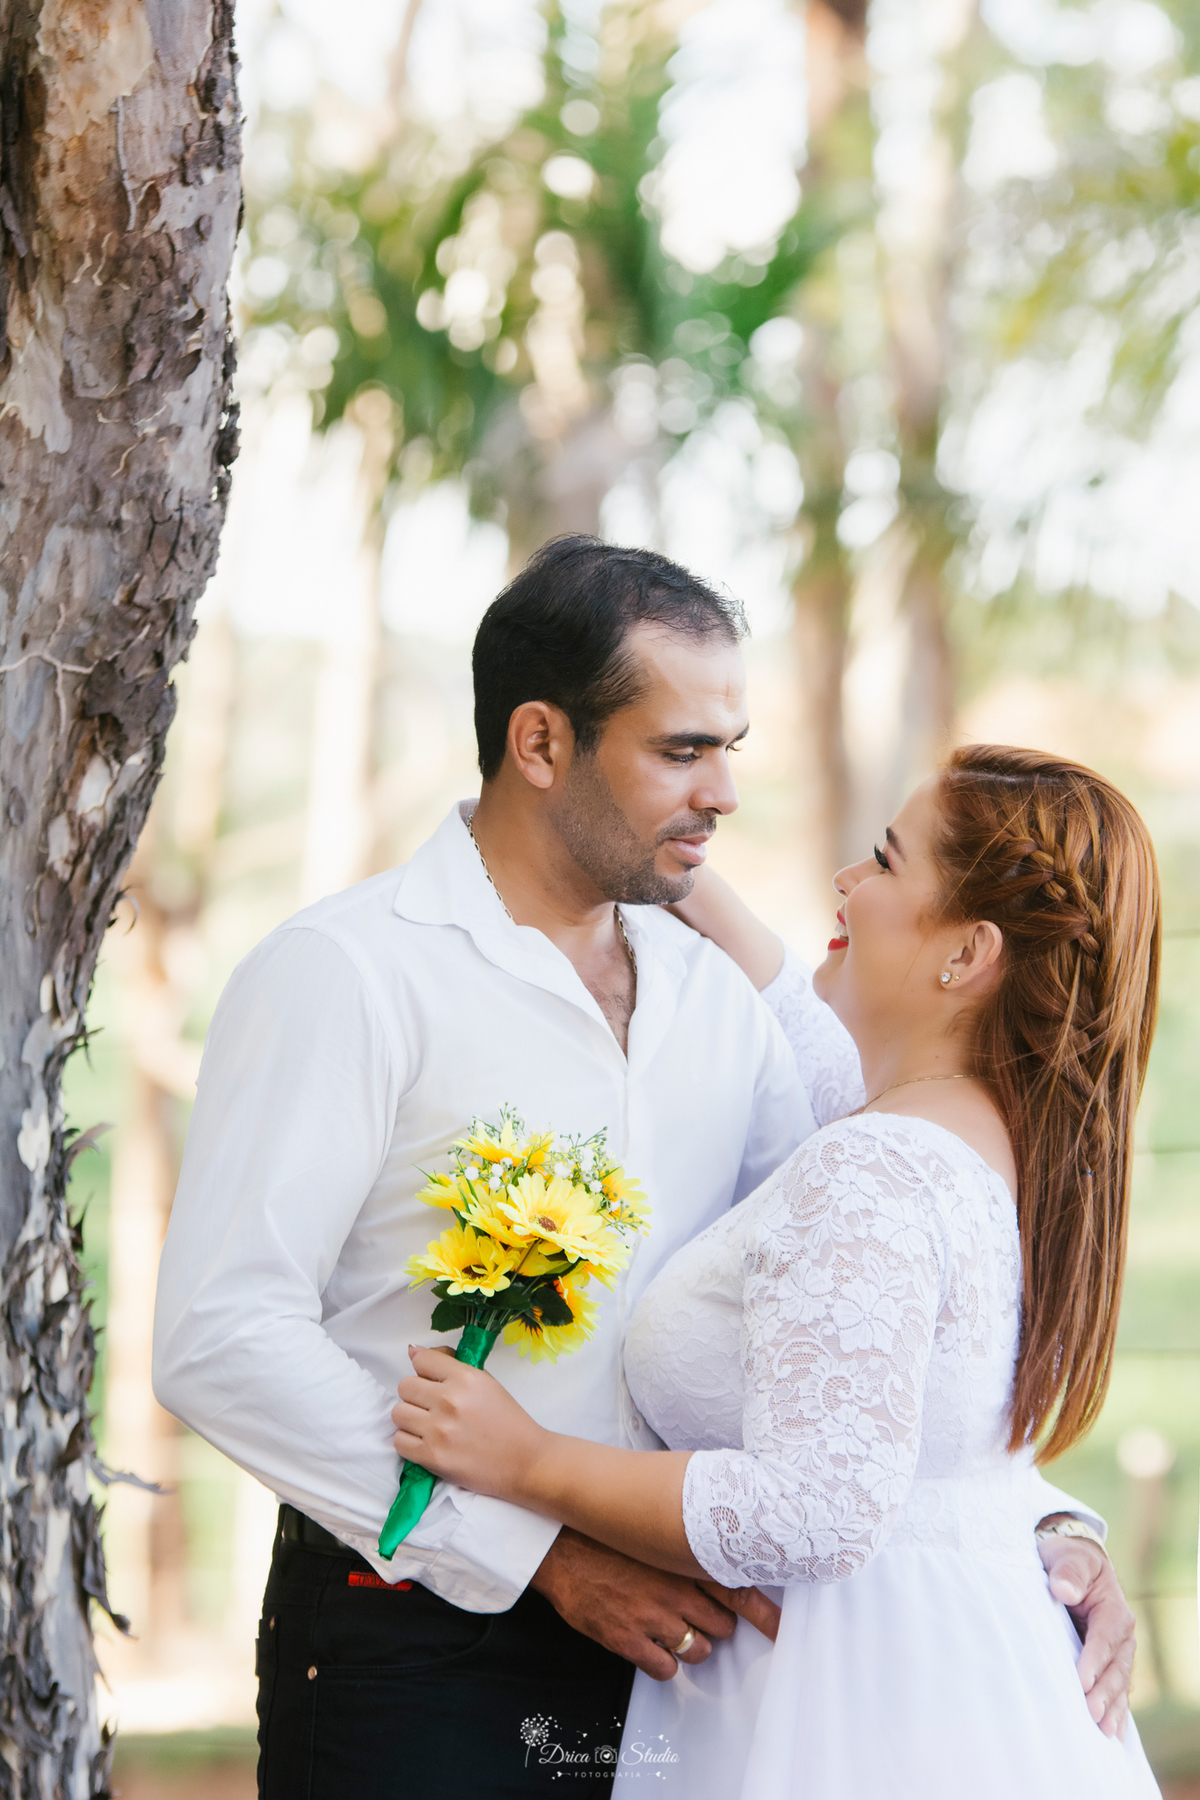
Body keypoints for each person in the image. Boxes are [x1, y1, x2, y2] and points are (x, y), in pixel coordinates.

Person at [152, 539, 1131, 1799]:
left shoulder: (720, 1006)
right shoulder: (347, 974)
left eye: (732, 746)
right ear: (543, 743)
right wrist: (543, 1549)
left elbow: (856, 1314)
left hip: (690, 1674)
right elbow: (220, 1334)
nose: (725, 791)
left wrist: (1035, 1524)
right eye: (683, 750)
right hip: (425, 1648)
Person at [392, 743, 1162, 1799]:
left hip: (856, 1709)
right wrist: (650, 846)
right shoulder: (1008, 1152)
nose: (849, 881)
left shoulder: (875, 1166)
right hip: (972, 1674)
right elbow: (797, 1010)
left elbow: (819, 1506)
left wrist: (524, 1460)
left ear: (967, 954)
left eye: (887, 863)